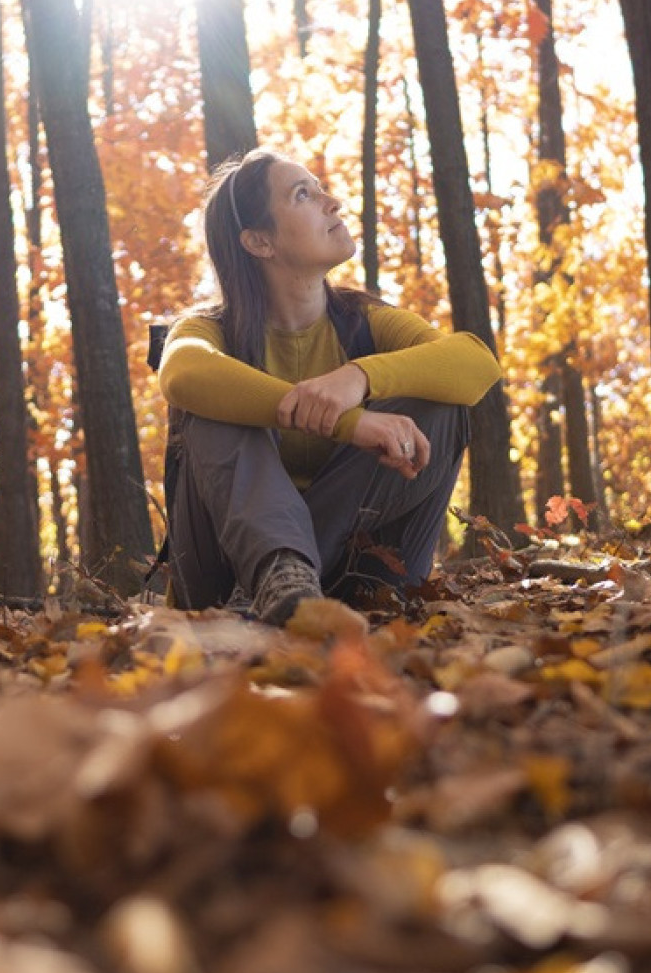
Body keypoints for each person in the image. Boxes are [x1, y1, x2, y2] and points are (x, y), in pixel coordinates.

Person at [157, 148, 502, 625]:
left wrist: (357, 377)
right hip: (224, 580)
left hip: (360, 578)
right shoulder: (209, 330)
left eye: (321, 189)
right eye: (304, 194)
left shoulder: (364, 322)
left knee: (441, 403)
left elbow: (477, 363)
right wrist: (347, 422)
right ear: (259, 241)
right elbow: (182, 372)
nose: (332, 202)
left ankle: (296, 582)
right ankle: (276, 573)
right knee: (213, 401)